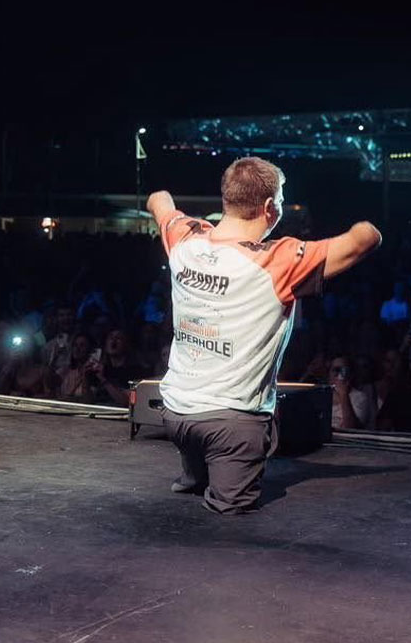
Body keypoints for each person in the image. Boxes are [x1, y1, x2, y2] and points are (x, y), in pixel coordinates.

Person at [147, 156, 381, 514]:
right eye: (282, 198)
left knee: (198, 469)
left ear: (226, 197)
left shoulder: (184, 239)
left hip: (175, 414)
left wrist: (191, 220)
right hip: (232, 424)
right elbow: (367, 238)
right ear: (270, 207)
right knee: (231, 516)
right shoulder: (280, 260)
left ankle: (194, 474)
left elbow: (158, 198)